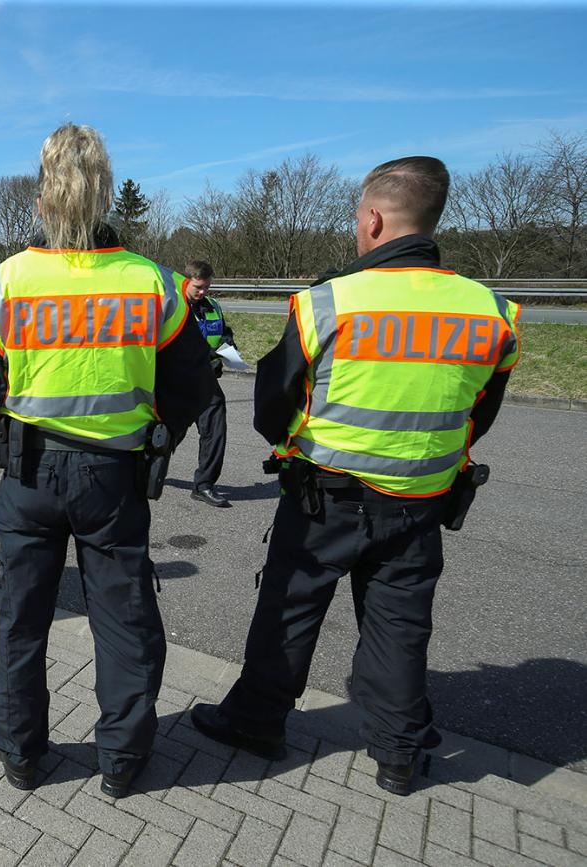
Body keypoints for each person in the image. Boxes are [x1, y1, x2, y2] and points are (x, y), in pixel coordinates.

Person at [190, 157, 520, 796]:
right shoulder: (493, 311)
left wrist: (295, 444)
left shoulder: (328, 302)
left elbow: (271, 403)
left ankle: (256, 724)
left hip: (325, 498)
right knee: (399, 626)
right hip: (421, 500)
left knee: (288, 609)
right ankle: (399, 755)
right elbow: (480, 411)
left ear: (373, 218)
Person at [0, 123, 215, 798]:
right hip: (114, 481)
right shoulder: (153, 283)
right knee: (123, 620)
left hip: (29, 474)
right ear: (108, 197)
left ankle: (21, 752)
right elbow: (192, 386)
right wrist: (158, 433)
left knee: (23, 620)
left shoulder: (3, 283)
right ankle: (122, 758)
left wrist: (7, 418)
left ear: (41, 202)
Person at [179, 260, 235, 507]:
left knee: (215, 430)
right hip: (176, 380)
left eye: (206, 287)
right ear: (186, 281)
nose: (203, 292)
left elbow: (223, 331)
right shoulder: (174, 306)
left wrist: (227, 343)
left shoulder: (212, 305)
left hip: (206, 380)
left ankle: (204, 485)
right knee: (162, 434)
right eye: (198, 287)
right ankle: (138, 476)